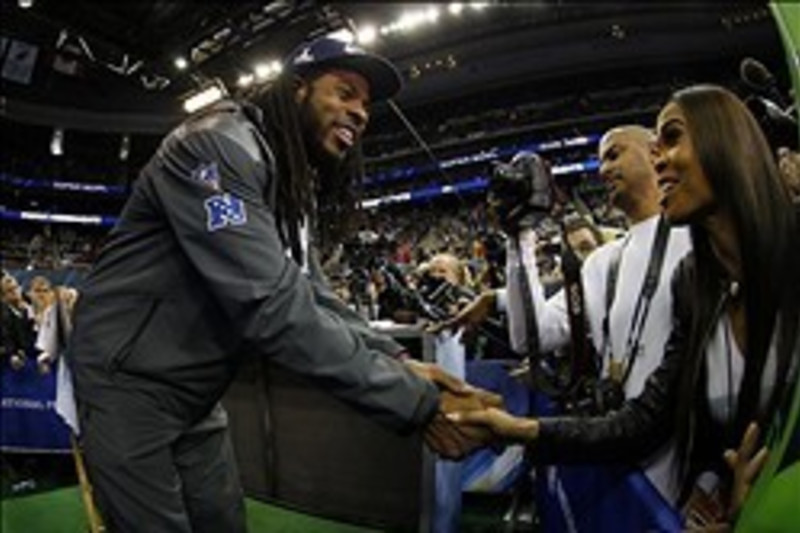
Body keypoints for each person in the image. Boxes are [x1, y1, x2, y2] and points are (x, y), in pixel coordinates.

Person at [66, 35, 497, 533]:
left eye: (365, 103)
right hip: (128, 385)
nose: (360, 111)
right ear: (297, 90)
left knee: (224, 522)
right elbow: (270, 304)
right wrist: (416, 405)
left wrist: (397, 360)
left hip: (195, 393)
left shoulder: (287, 180)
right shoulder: (217, 145)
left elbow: (310, 293)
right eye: (344, 92)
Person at [450, 85, 800, 529]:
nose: (657, 158)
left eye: (667, 140)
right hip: (662, 482)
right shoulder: (693, 279)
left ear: (725, 141)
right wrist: (518, 241)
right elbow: (643, 415)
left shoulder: (754, 251)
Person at [440, 127, 693, 501]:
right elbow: (530, 338)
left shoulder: (696, 238)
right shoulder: (600, 263)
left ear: (655, 152)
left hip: (682, 455)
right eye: (600, 159)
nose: (603, 169)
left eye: (614, 155)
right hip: (617, 448)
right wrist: (520, 240)